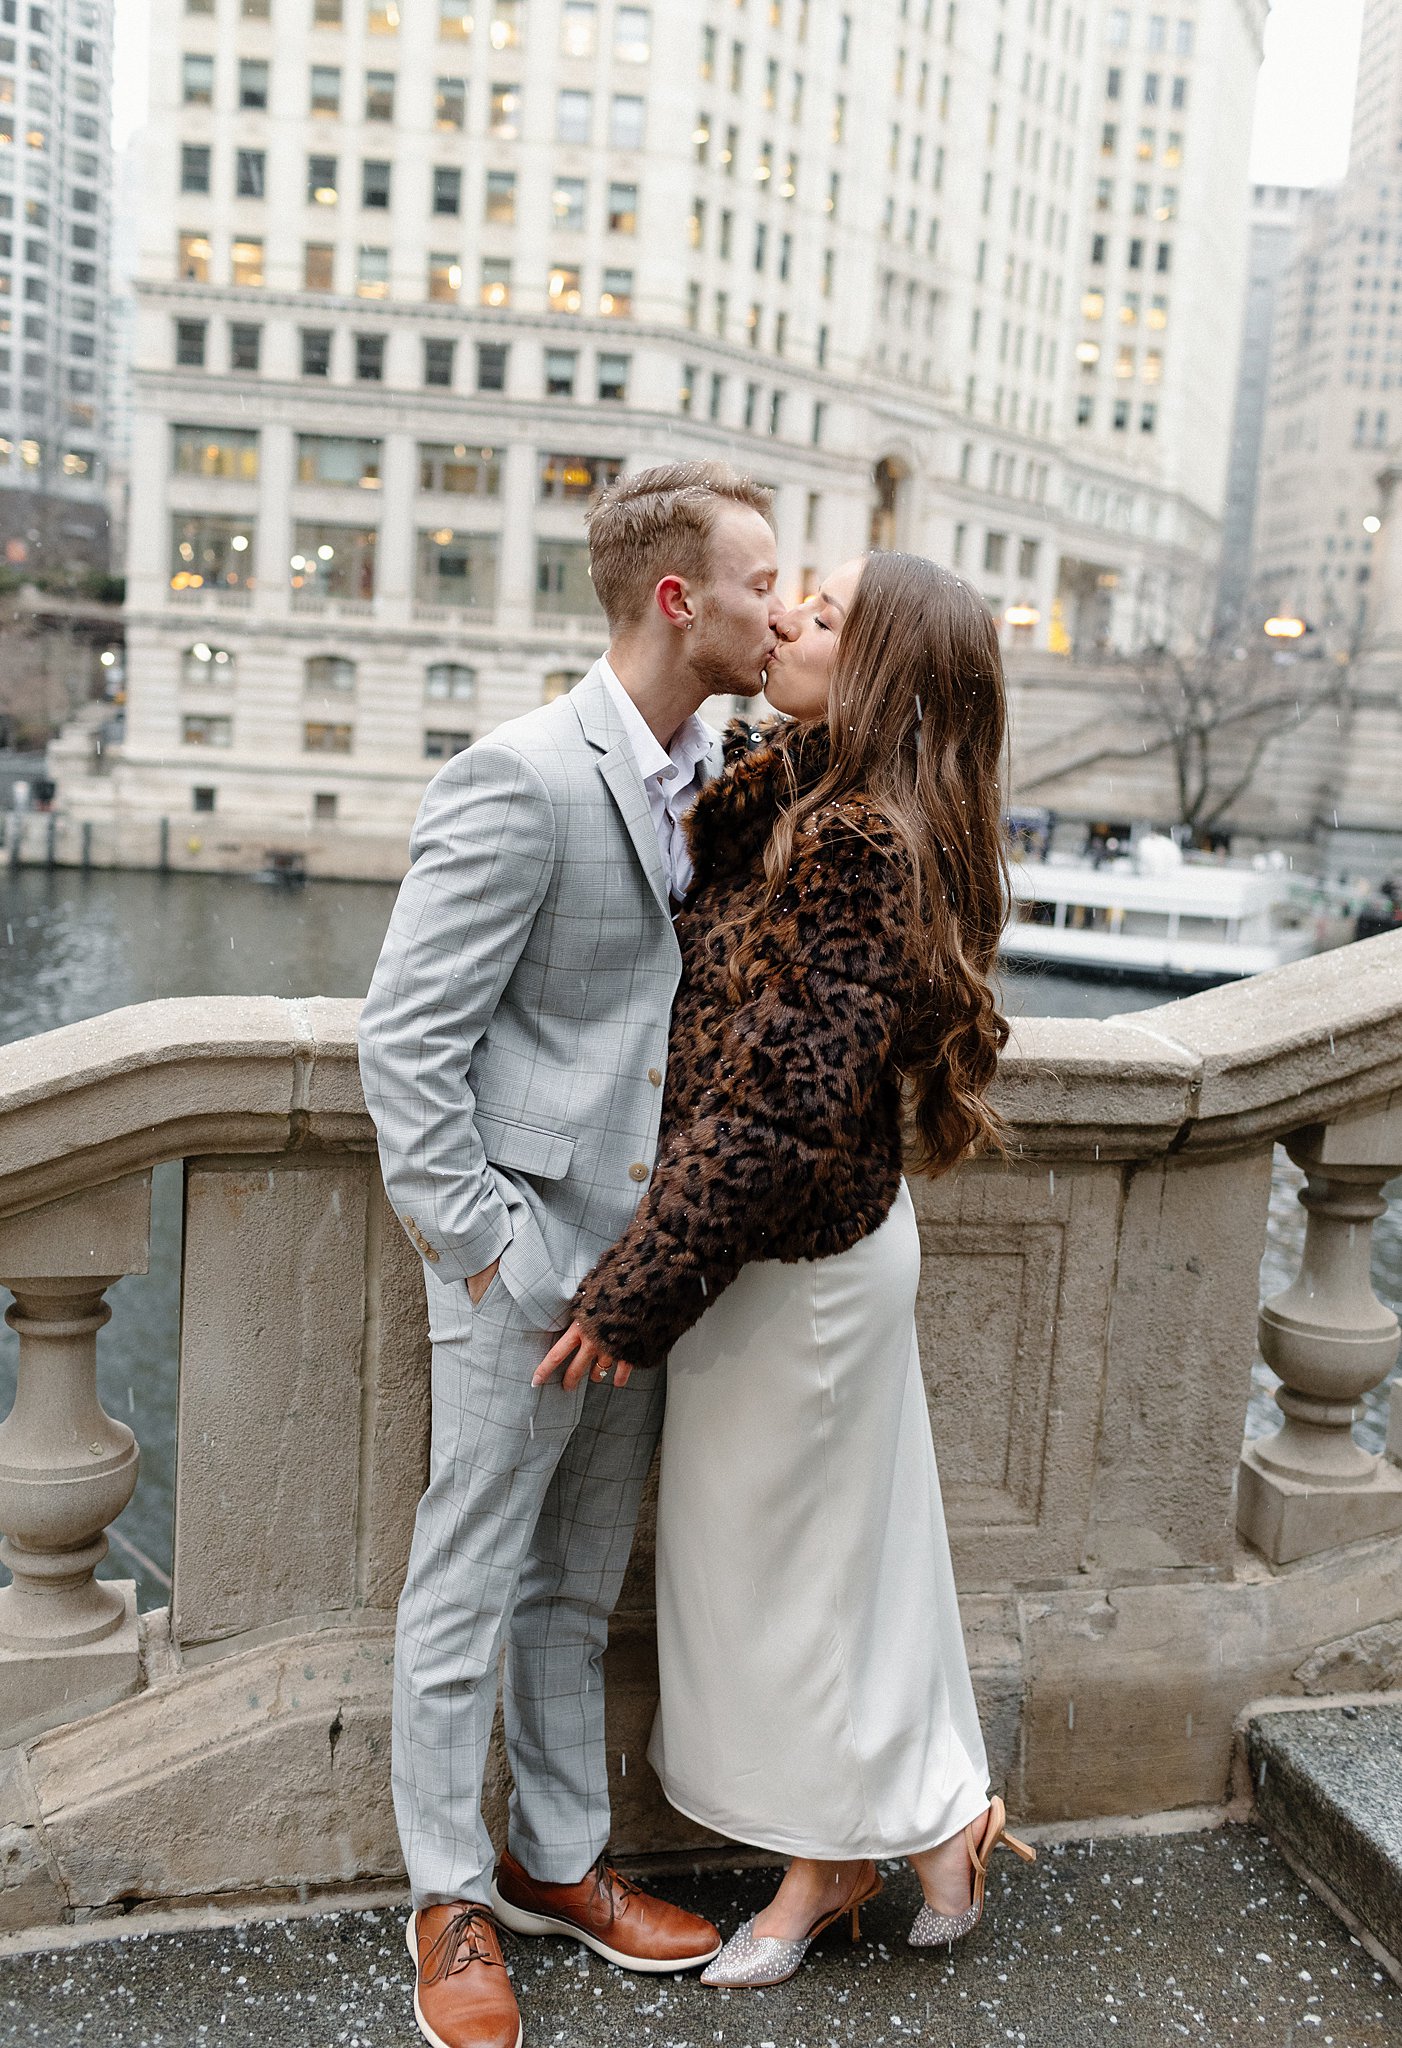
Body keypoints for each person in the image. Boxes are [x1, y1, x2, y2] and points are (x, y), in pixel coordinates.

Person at [537, 550, 1036, 1989]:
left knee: (789, 1582)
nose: (786, 624)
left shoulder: (857, 839)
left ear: (874, 667)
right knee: (861, 1563)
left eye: (820, 619)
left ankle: (826, 1868)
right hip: (812, 1250)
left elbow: (781, 1102)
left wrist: (636, 1286)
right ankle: (945, 1814)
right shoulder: (810, 800)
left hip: (796, 1265)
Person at [357, 459, 788, 2048]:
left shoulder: (734, 769)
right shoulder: (520, 775)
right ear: (678, 598)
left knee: (573, 1587)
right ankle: (446, 1897)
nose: (778, 602)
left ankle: (557, 1862)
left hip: (648, 1273)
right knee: (465, 1581)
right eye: (758, 578)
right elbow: (406, 1046)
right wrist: (485, 1256)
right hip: (524, 1269)